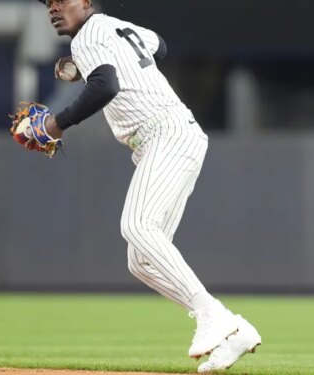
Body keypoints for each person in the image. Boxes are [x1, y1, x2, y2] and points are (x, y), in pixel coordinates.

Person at [37, 0, 261, 371]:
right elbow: (159, 44)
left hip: (164, 133)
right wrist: (88, 68)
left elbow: (106, 85)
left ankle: (210, 315)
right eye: (48, 2)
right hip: (175, 134)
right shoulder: (110, 27)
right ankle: (234, 329)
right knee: (140, 260)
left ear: (86, 2)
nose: (53, 8)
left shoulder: (85, 39)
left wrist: (57, 124)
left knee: (137, 226)